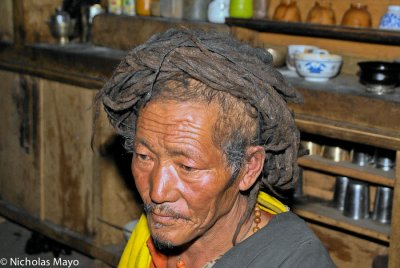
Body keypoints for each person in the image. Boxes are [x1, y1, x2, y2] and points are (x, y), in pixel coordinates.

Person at [96, 28, 335, 268]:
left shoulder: (293, 261)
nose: (157, 192)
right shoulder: (157, 225)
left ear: (248, 168)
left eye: (187, 167)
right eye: (144, 156)